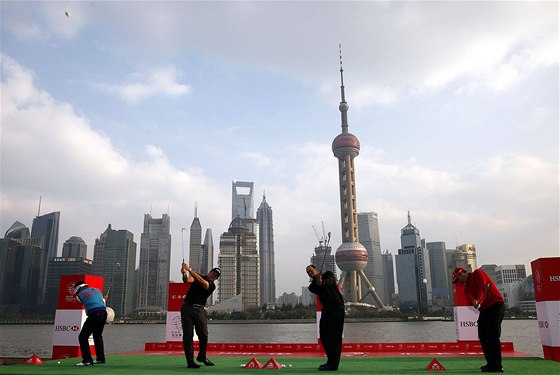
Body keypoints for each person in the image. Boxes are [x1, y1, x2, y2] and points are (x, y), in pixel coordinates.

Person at [452, 267, 505, 373]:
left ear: (462, 273)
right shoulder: (466, 289)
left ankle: (497, 365)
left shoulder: (478, 273)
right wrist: (474, 302)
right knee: (483, 335)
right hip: (485, 309)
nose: (458, 282)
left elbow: (483, 288)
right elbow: (470, 298)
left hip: (496, 305)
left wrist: (478, 300)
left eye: (457, 279)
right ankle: (490, 363)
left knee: (492, 334)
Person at [180, 262, 221, 369]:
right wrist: (184, 273)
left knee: (203, 334)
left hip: (199, 310)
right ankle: (190, 362)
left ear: (216, 279)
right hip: (187, 308)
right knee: (188, 335)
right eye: (213, 272)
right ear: (210, 272)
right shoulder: (197, 276)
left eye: (215, 275)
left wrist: (189, 269)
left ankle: (202, 356)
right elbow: (186, 280)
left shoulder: (211, 285)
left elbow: (201, 281)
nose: (213, 275)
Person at [306, 264, 345, 371]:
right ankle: (330, 361)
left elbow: (330, 281)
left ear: (316, 269)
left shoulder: (328, 274)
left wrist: (322, 281)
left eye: (311, 270)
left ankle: (334, 365)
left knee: (334, 336)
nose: (310, 272)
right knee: (323, 335)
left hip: (337, 308)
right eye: (308, 272)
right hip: (327, 309)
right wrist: (319, 283)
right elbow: (317, 288)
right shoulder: (312, 286)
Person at [73, 280, 107, 366]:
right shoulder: (97, 290)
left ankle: (87, 360)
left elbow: (84, 302)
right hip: (103, 313)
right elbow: (102, 302)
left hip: (94, 314)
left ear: (78, 288)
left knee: (83, 337)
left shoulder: (79, 295)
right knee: (97, 335)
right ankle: (100, 359)